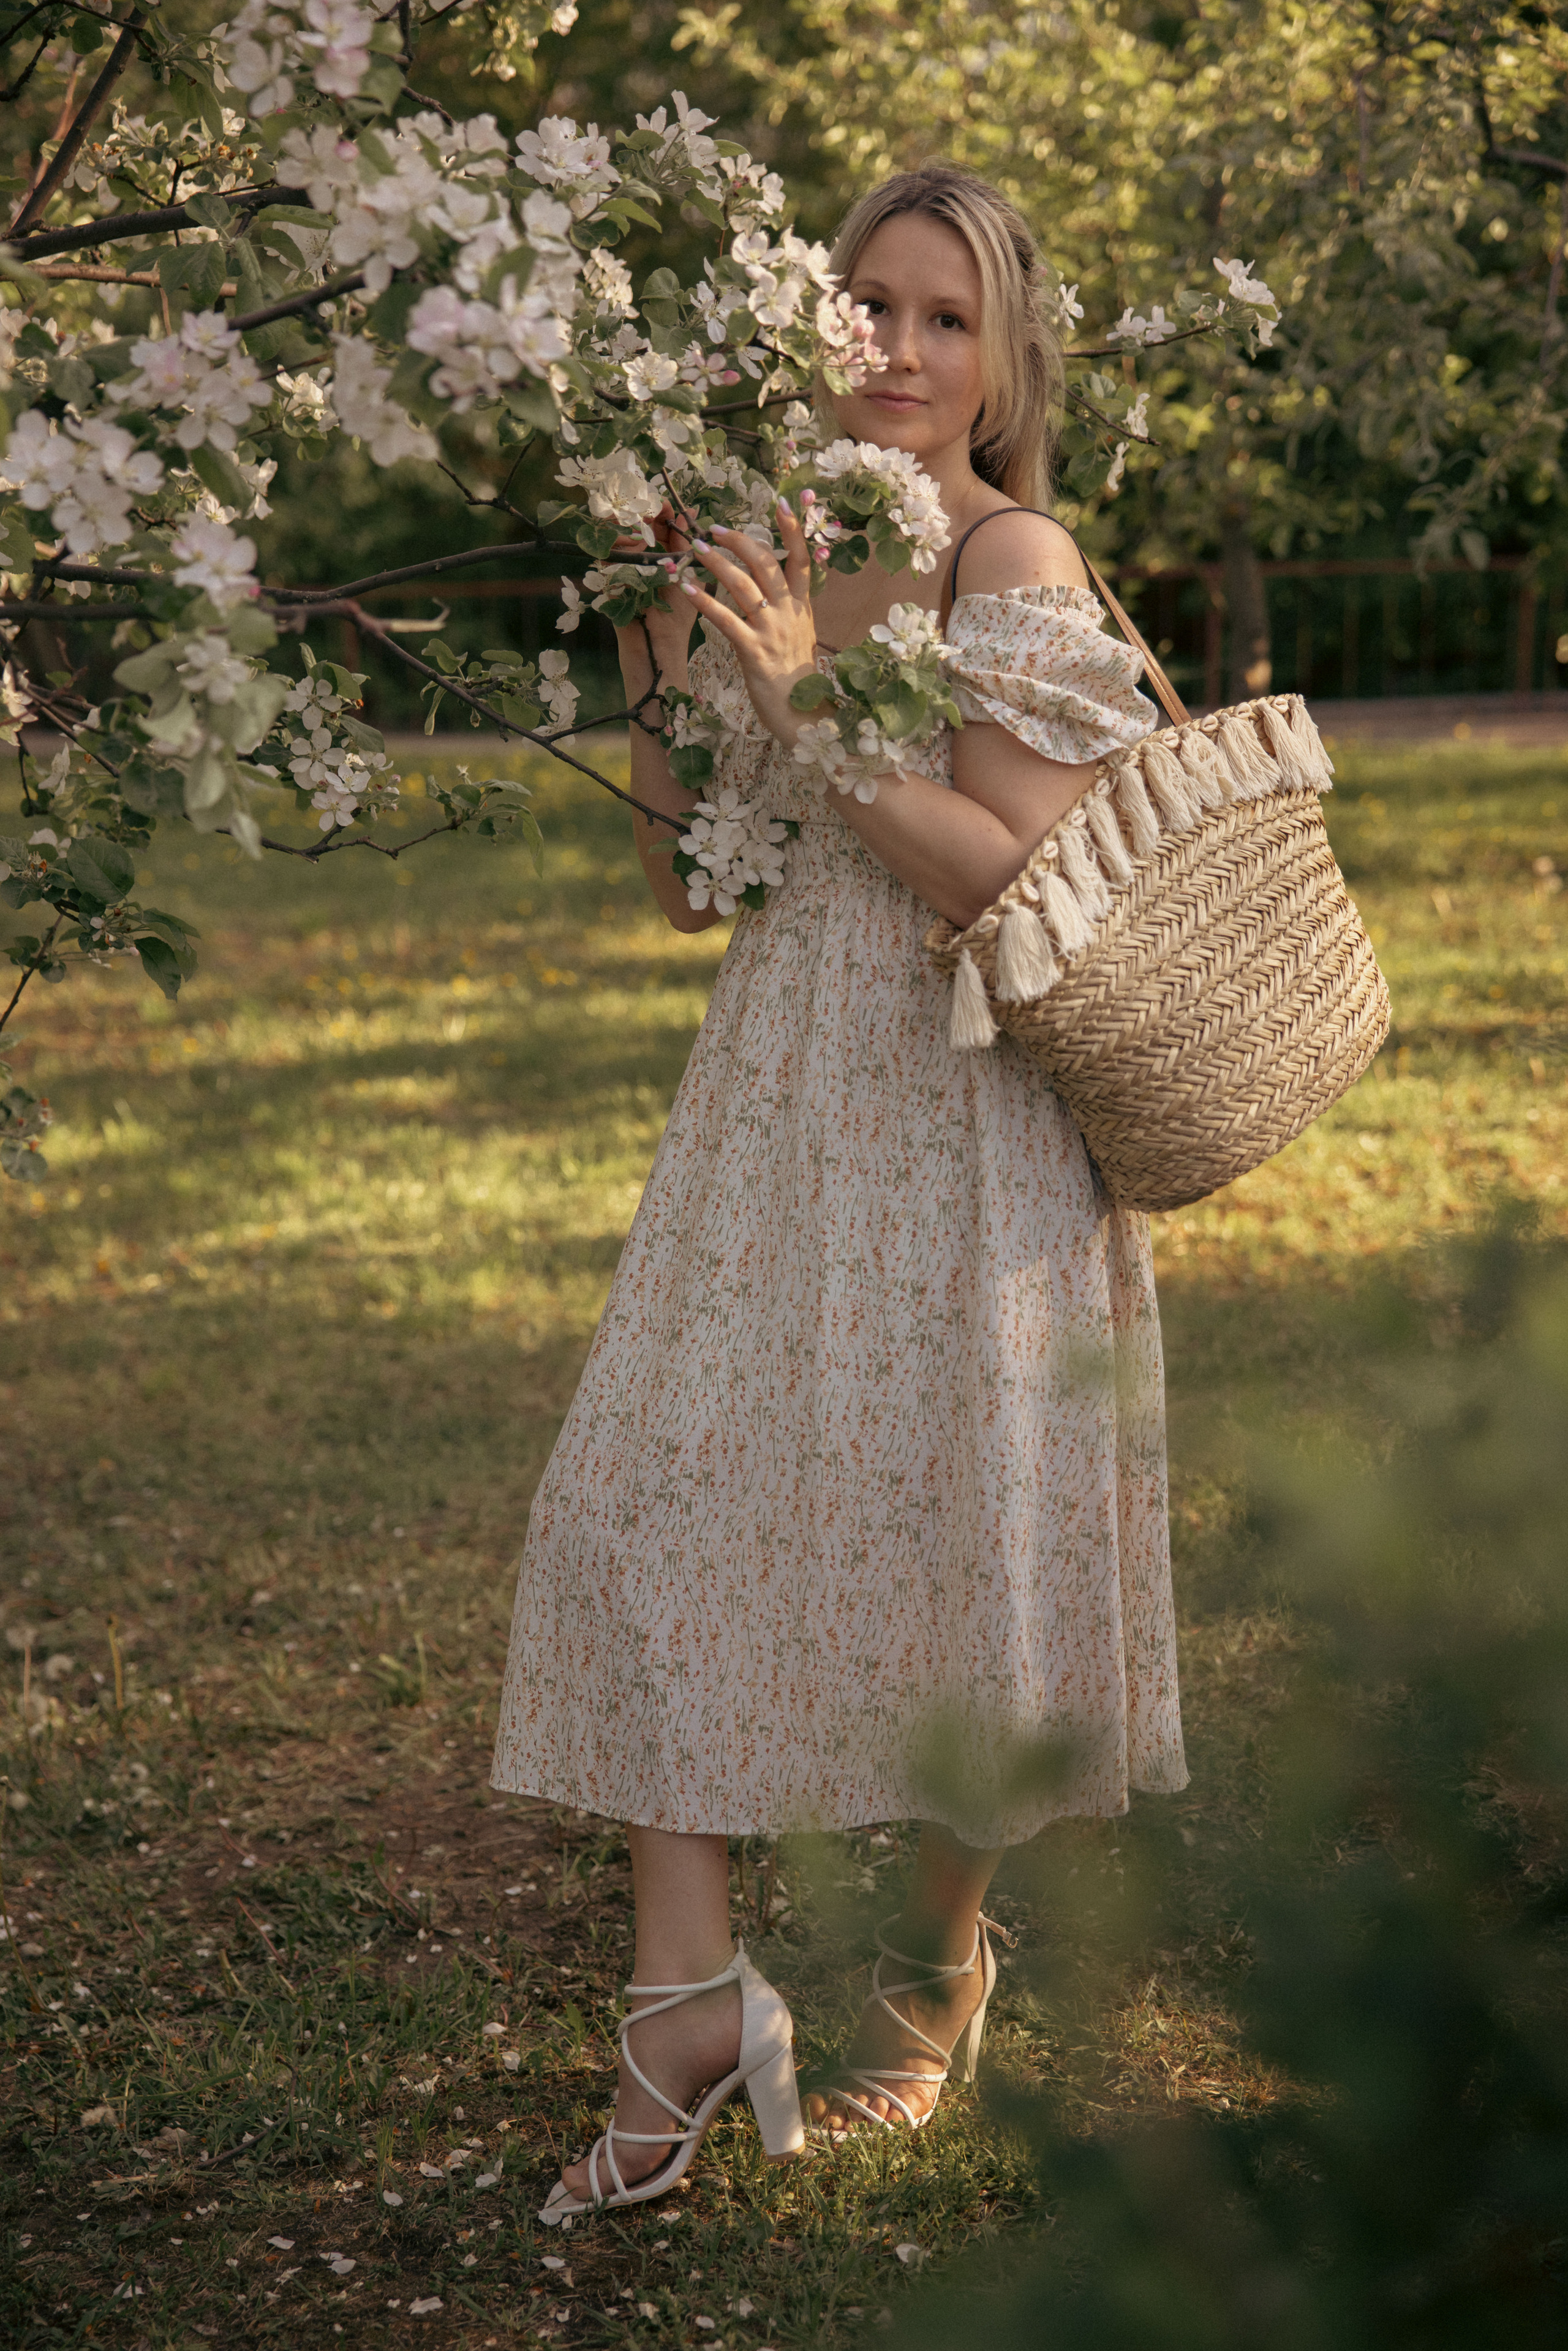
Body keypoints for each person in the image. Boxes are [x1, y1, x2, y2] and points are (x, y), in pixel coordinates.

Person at [492, 162, 1188, 2219]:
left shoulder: (1008, 554)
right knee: (641, 1494)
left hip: (970, 1103)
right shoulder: (779, 532)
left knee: (958, 1527)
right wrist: (662, 643)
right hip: (781, 1087)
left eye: (942, 317)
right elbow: (693, 880)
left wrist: (804, 694)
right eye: (866, 306)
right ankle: (690, 2001)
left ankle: (937, 1972)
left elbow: (1019, 880)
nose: (895, 348)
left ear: (1001, 357)